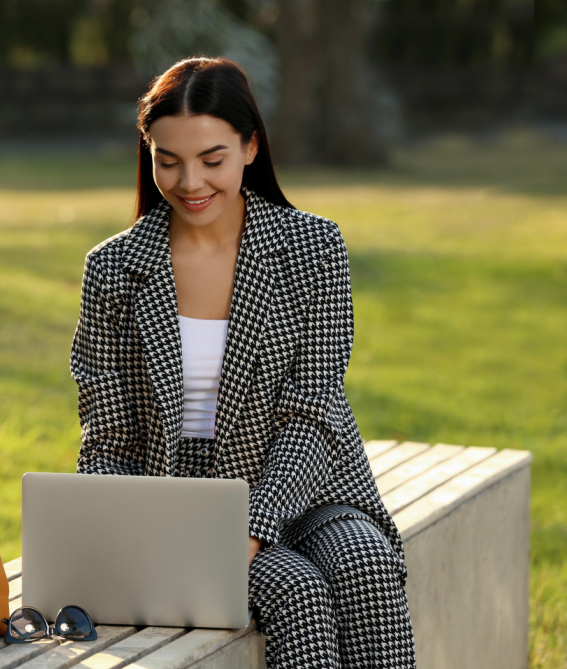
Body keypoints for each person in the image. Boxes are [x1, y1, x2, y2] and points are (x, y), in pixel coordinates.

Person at [69, 57, 417, 668]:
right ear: (148, 152)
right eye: (168, 160)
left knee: (366, 563)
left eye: (212, 159)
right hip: (182, 501)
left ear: (250, 147)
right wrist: (127, 536)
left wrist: (252, 529)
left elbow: (312, 410)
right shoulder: (115, 268)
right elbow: (109, 434)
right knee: (296, 590)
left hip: (310, 482)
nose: (188, 182)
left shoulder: (312, 247)